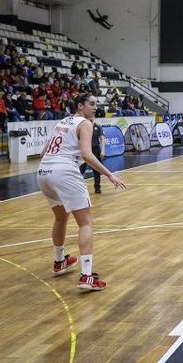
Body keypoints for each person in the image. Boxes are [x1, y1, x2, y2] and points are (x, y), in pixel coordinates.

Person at [36, 94, 126, 290]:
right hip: (64, 172)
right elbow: (86, 153)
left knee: (61, 218)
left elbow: (42, 153)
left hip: (43, 172)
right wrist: (109, 174)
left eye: (96, 104)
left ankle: (60, 261)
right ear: (80, 106)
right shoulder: (85, 123)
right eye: (91, 104)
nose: (95, 108)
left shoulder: (62, 121)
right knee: (86, 223)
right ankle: (87, 276)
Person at [79, 117, 106, 194]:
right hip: (85, 149)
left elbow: (102, 139)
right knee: (81, 168)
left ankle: (97, 188)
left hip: (95, 149)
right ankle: (79, 187)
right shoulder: (83, 126)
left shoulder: (98, 127)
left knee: (97, 169)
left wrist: (103, 150)